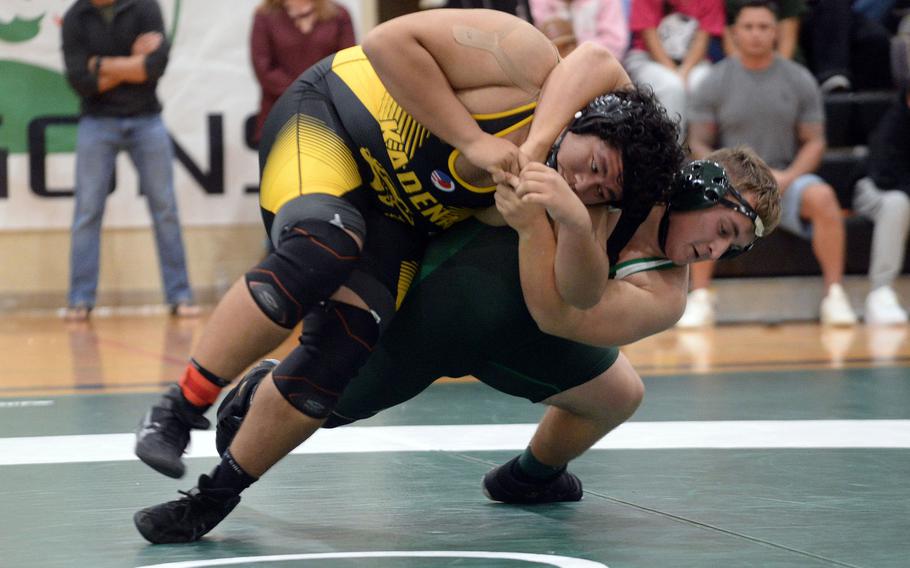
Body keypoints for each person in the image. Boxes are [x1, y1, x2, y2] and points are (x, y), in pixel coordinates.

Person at [133, 8, 683, 486]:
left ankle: (218, 486)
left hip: (393, 214)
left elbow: (576, 296)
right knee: (320, 250)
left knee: (345, 349)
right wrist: (486, 141)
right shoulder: (525, 64)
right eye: (594, 169)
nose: (584, 185)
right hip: (335, 122)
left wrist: (568, 216)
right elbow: (386, 43)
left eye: (601, 192)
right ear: (594, 119)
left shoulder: (559, 195)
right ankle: (178, 411)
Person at [133, 146, 781, 544]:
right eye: (722, 229)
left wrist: (548, 228)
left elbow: (564, 320)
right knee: (321, 398)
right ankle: (236, 450)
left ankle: (529, 477)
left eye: (735, 246)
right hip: (442, 304)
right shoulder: (621, 167)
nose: (715, 251)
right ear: (697, 186)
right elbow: (584, 67)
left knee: (619, 391)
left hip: (525, 328)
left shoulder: (668, 292)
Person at [680, 0, 858, 327]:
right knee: (703, 199)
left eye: (764, 27)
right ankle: (700, 298)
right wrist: (726, 175)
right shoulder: (714, 80)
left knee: (823, 198)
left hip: (783, 180)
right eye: (748, 27)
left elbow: (815, 141)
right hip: (731, 182)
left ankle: (835, 295)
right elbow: (699, 142)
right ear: (734, 33)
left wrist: (788, 176)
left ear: (776, 32)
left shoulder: (798, 78)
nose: (756, 34)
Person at [61, 0, 198, 321]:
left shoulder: (145, 7)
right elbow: (81, 81)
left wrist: (101, 64)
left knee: (165, 208)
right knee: (87, 211)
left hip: (147, 120)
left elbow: (154, 67)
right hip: (96, 122)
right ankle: (80, 299)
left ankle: (179, 295)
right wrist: (132, 61)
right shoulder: (75, 17)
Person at [250, 0, 355, 147]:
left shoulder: (339, 14)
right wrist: (304, 93)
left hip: (329, 117)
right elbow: (263, 68)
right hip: (281, 116)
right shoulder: (265, 16)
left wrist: (318, 95)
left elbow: (346, 63)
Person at [624, 0, 725, 141]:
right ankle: (673, 153)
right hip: (648, 59)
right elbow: (649, 36)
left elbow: (702, 40)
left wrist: (684, 72)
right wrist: (676, 74)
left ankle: (699, 151)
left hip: (694, 62)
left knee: (701, 83)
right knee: (672, 86)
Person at [851, 88, 910, 324]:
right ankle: (880, 293)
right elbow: (884, 176)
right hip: (874, 189)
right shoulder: (894, 124)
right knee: (897, 204)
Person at [529, 0, 630, 60]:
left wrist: (576, 47)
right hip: (550, 68)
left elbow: (616, 45)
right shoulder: (537, 3)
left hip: (597, 67)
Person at [723, 0, 807, 60]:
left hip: (784, 63)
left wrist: (776, 75)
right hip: (740, 65)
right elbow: (729, 34)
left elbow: (787, 39)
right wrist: (741, 72)